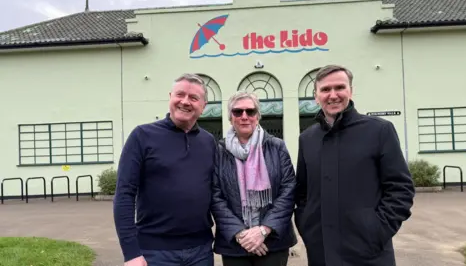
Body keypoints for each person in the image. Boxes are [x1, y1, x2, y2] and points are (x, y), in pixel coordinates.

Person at [295, 65, 415, 266]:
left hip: (368, 253)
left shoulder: (379, 131)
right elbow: (302, 192)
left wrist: (377, 230)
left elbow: (401, 189)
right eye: (325, 90)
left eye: (339, 87)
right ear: (316, 96)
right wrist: (307, 227)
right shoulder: (307, 139)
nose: (333, 95)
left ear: (351, 90)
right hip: (321, 252)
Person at [113, 73, 217, 266]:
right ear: (170, 97)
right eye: (180, 95)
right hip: (155, 253)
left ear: (203, 107)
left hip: (201, 252)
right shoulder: (142, 136)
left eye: (193, 98)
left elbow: (216, 193)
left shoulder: (208, 142)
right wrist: (131, 253)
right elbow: (124, 195)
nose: (185, 102)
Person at [211, 91, 297, 266]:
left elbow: (288, 190)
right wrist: (241, 234)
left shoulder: (276, 146)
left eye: (250, 112)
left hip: (272, 242)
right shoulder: (218, 151)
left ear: (257, 117)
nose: (244, 116)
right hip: (235, 244)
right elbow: (214, 195)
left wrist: (263, 231)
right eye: (237, 112)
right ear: (230, 117)